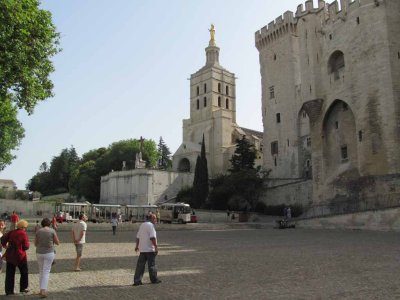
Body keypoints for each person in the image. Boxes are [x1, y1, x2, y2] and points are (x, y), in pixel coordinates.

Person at [1, 220, 30, 296]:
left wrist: (5, 245)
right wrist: (24, 247)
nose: (25, 229)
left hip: (10, 255)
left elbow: (3, 239)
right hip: (20, 256)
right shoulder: (23, 233)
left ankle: (9, 290)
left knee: (9, 274)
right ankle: (23, 287)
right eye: (25, 227)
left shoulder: (11, 232)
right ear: (23, 227)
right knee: (24, 272)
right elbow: (26, 246)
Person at [133, 214, 161, 286]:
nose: (156, 220)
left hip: (142, 249)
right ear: (151, 219)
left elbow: (138, 237)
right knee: (152, 265)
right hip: (150, 249)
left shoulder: (142, 225)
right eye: (155, 219)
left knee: (140, 266)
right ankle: (154, 279)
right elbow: (152, 237)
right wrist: (156, 247)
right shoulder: (151, 226)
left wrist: (137, 246)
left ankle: (137, 280)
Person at [35, 218, 60, 298]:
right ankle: (43, 290)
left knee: (41, 271)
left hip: (39, 252)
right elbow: (57, 242)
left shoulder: (38, 231)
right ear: (49, 224)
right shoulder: (52, 231)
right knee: (46, 271)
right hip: (49, 252)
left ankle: (41, 289)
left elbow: (35, 243)